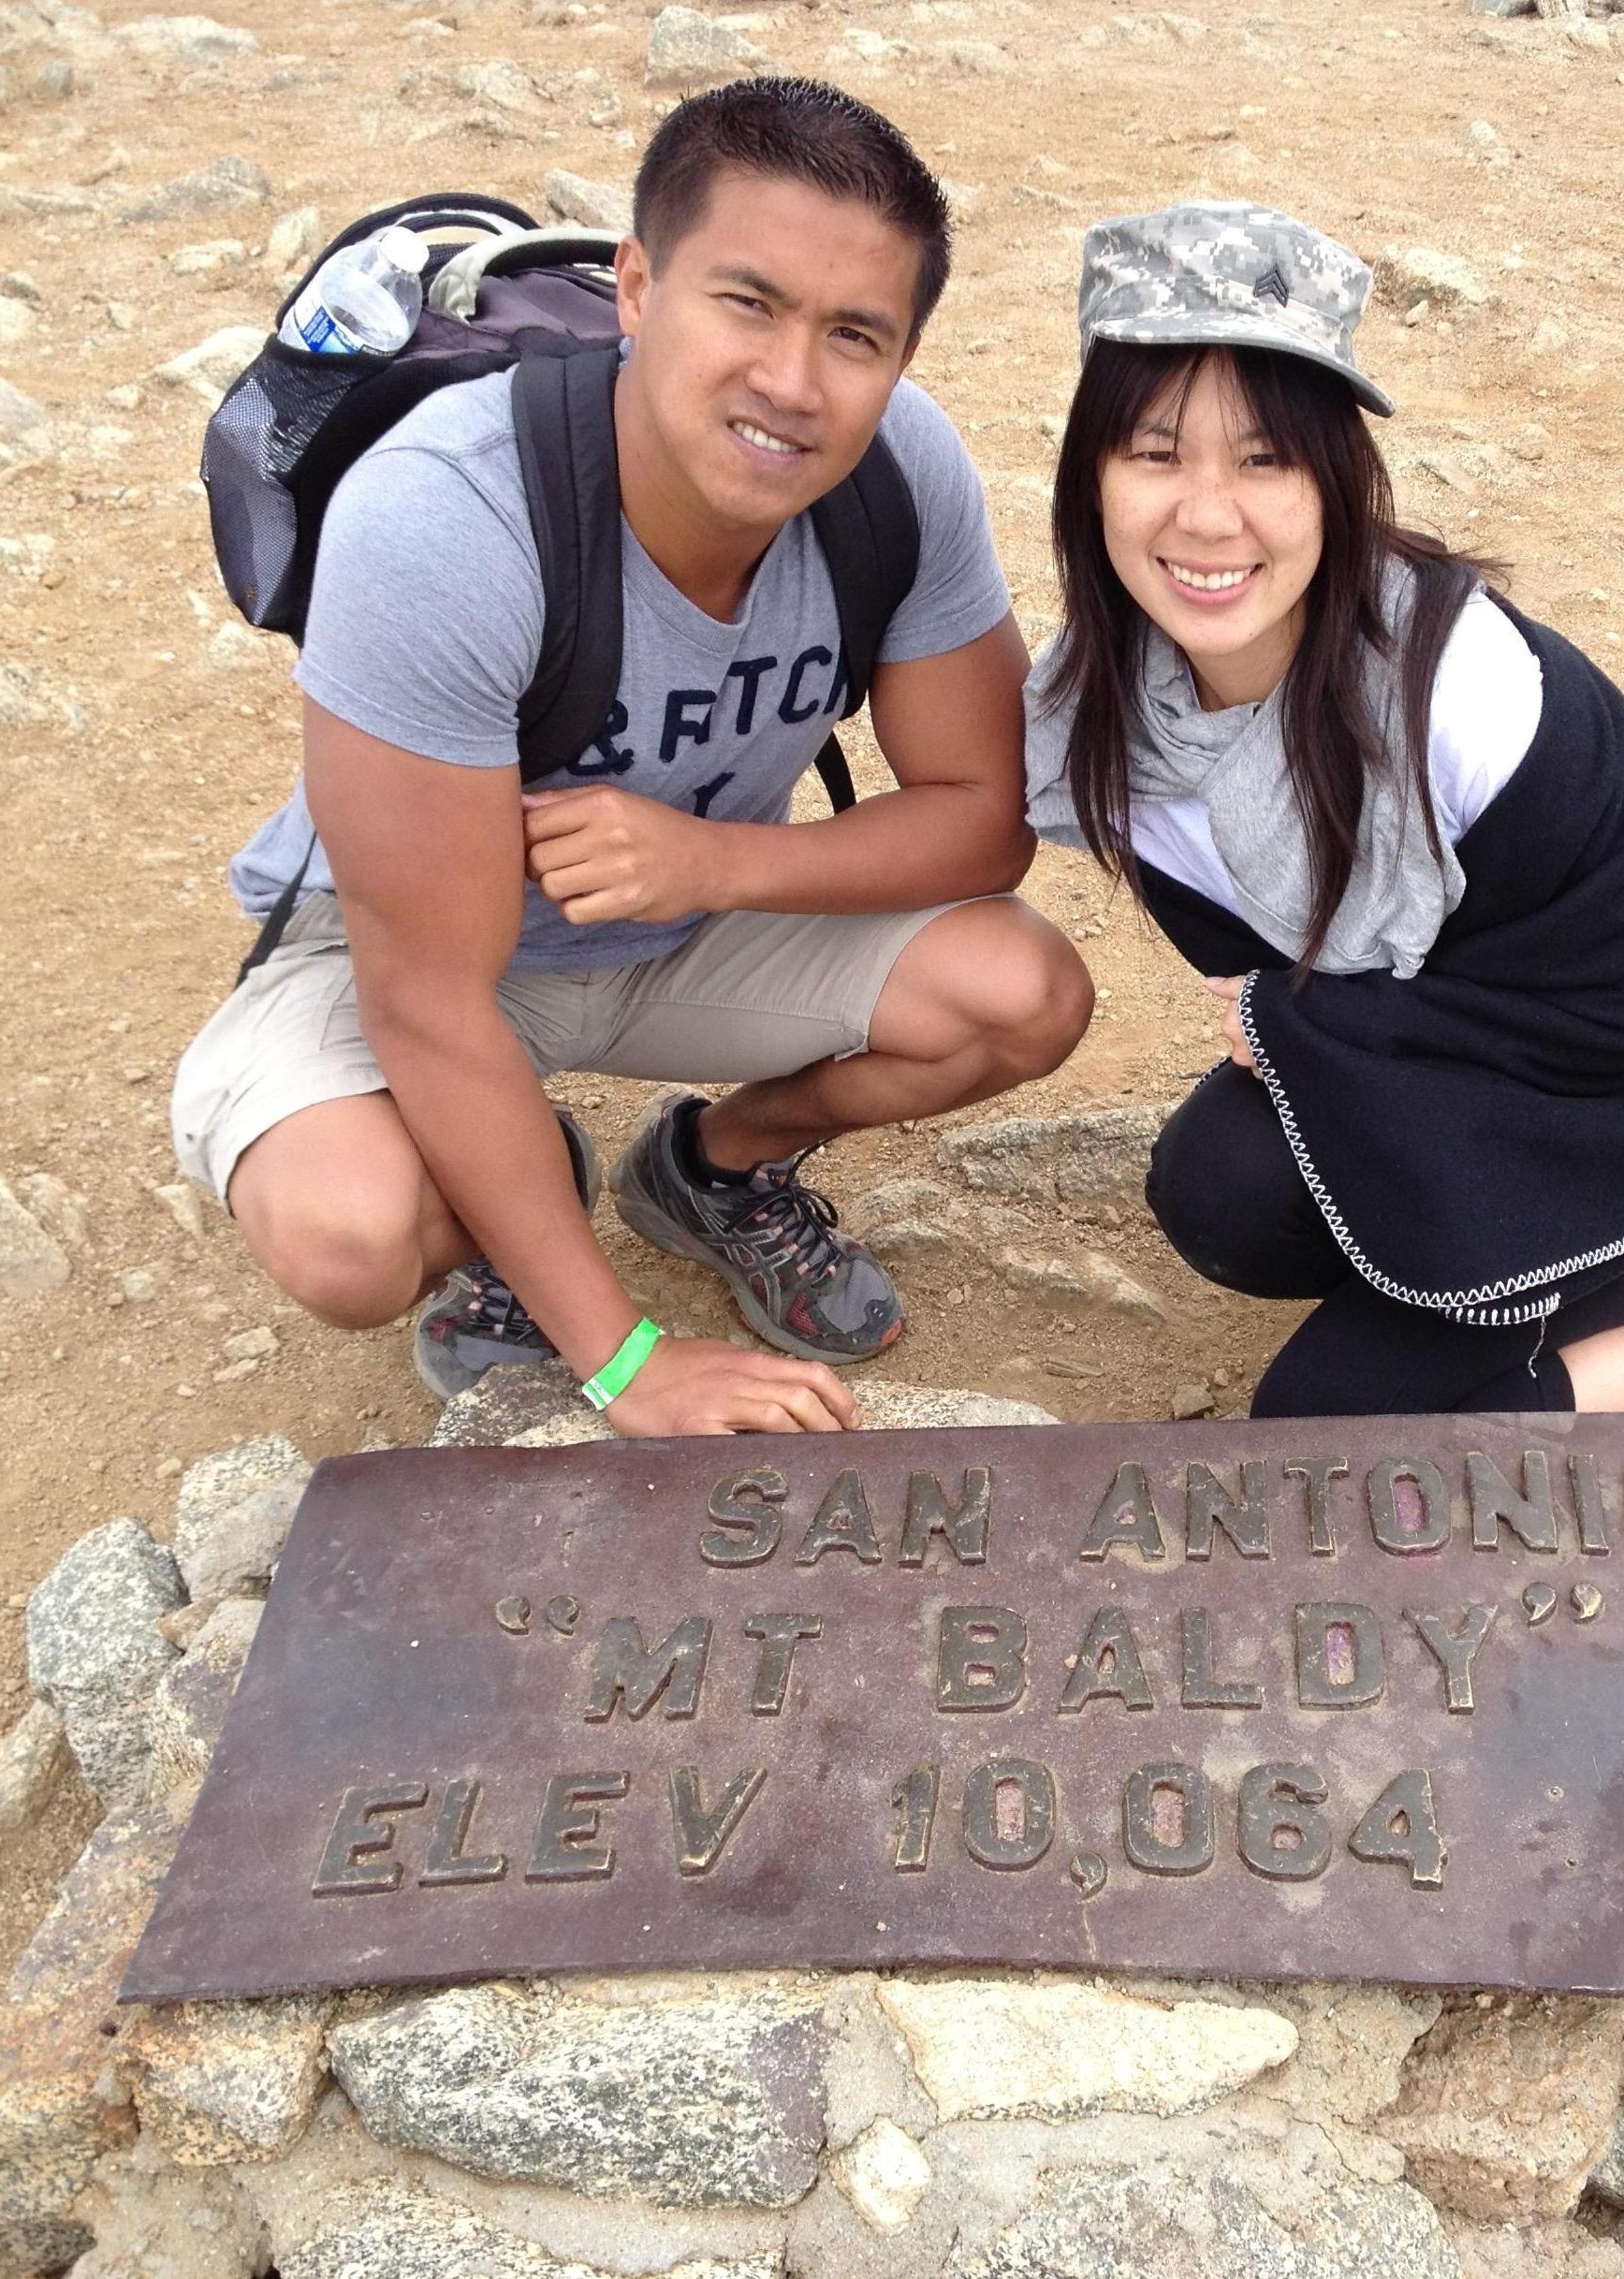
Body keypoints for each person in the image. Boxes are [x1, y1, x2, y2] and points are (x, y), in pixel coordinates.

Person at [170, 80, 1093, 1438]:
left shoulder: (903, 471)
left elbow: (984, 822)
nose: (792, 381)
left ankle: (713, 1168)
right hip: (413, 964)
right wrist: (629, 1363)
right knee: (350, 1233)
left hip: (683, 921)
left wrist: (706, 858)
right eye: (747, 302)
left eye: (854, 334)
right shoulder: (447, 517)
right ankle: (506, 1207)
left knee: (1020, 989)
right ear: (638, 286)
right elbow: (427, 995)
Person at [1024, 202, 1624, 1509]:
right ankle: (1454, 1297)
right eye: (1155, 452)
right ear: (1088, 475)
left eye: (1266, 461)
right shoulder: (1098, 710)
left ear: (1337, 480)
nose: (1206, 515)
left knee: (1318, 1446)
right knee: (1217, 1191)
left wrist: (1307, 1024)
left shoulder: (1467, 699)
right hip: (1447, 1081)